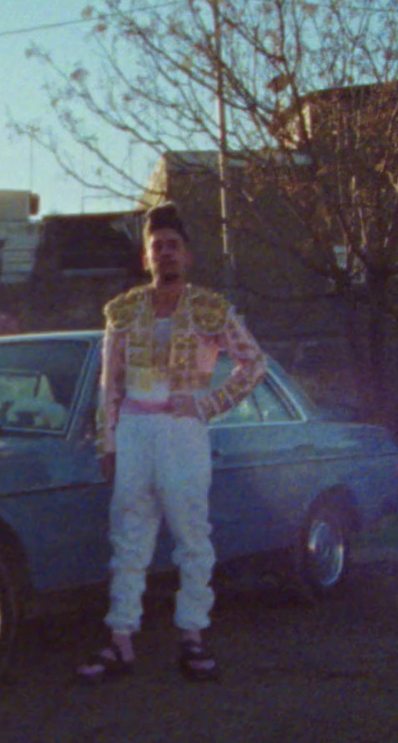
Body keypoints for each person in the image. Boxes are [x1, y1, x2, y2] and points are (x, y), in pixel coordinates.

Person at [76, 202, 265, 684]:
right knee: (128, 537)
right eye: (157, 246)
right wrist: (108, 443)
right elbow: (108, 385)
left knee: (191, 535)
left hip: (183, 430)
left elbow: (253, 363)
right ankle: (121, 641)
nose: (166, 253)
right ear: (146, 258)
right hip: (135, 431)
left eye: (173, 245)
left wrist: (206, 405)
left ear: (188, 255)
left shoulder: (210, 306)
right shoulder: (121, 312)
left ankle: (193, 636)